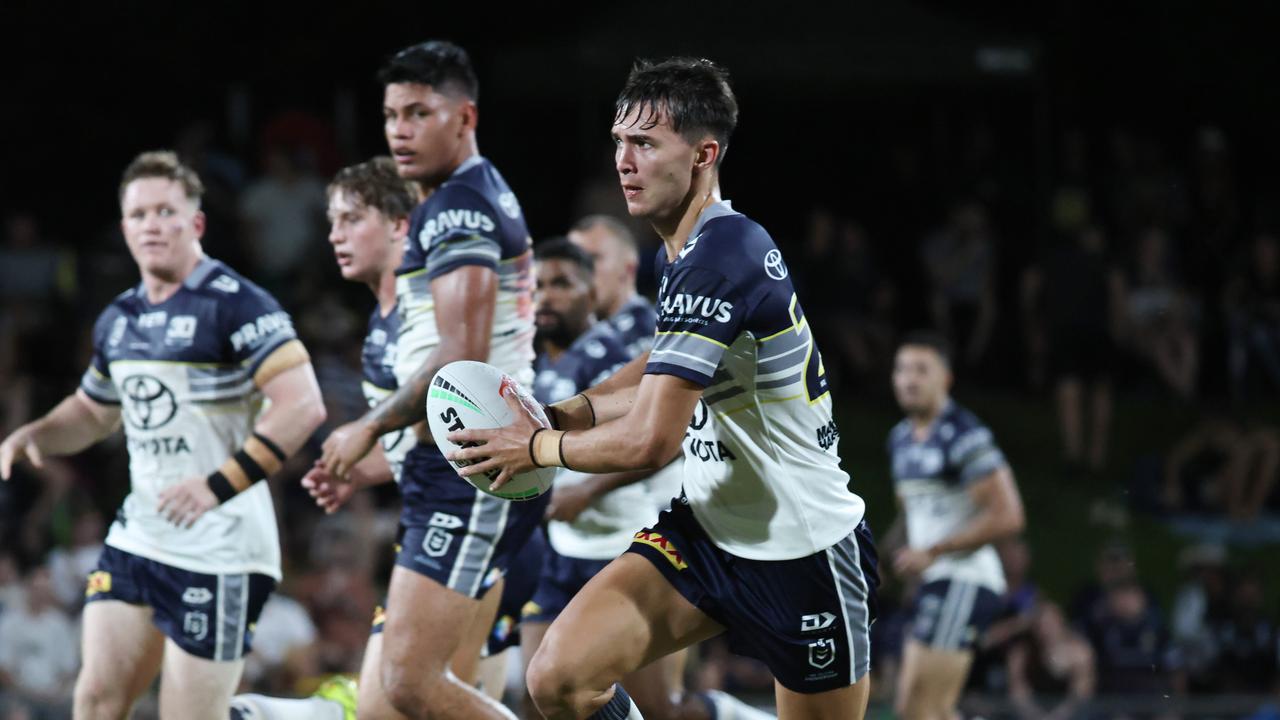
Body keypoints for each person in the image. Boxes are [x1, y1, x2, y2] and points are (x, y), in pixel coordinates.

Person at [449, 57, 879, 720]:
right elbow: (665, 362)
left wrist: (537, 446)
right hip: (706, 532)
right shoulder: (679, 252)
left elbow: (653, 441)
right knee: (560, 678)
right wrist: (575, 410)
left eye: (645, 144)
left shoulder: (722, 256)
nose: (624, 160)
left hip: (804, 550)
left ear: (705, 154)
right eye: (620, 141)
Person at [0, 150, 327, 720]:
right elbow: (95, 411)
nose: (152, 224)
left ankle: (295, 715)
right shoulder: (119, 319)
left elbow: (303, 405)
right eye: (139, 214)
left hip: (222, 548)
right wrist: (36, 432)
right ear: (125, 228)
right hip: (139, 537)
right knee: (96, 703)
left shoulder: (237, 304)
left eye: (166, 212)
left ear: (195, 223)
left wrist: (216, 485)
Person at [318, 40, 541, 720]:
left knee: (411, 683)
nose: (400, 131)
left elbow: (461, 358)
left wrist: (365, 427)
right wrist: (374, 461)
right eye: (391, 115)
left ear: (464, 117)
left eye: (419, 113)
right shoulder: (459, 198)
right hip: (456, 469)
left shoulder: (458, 207)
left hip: (475, 470)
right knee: (396, 701)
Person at [885, 331, 1025, 720]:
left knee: (922, 709)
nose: (909, 379)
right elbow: (912, 516)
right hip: (935, 582)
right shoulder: (900, 440)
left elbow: (1009, 515)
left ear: (945, 378)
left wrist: (932, 552)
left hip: (964, 578)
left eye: (921, 370)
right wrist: (878, 560)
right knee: (917, 711)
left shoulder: (965, 436)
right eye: (902, 369)